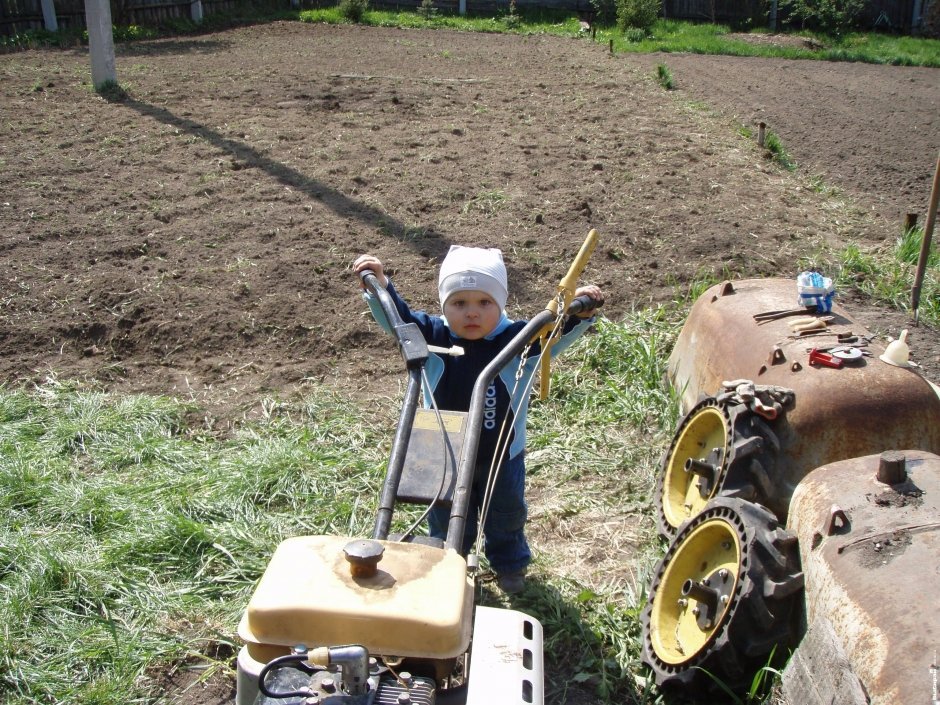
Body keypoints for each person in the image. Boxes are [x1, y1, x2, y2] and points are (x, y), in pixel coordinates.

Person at [353, 246, 603, 594]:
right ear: (444, 306)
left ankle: (509, 564)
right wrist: (380, 285)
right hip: (446, 455)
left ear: (500, 303)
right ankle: (448, 560)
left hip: (502, 454)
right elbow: (400, 320)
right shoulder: (434, 337)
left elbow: (553, 335)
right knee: (445, 515)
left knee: (507, 515)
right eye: (459, 304)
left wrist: (580, 312)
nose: (472, 314)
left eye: (484, 303)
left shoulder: (516, 339)